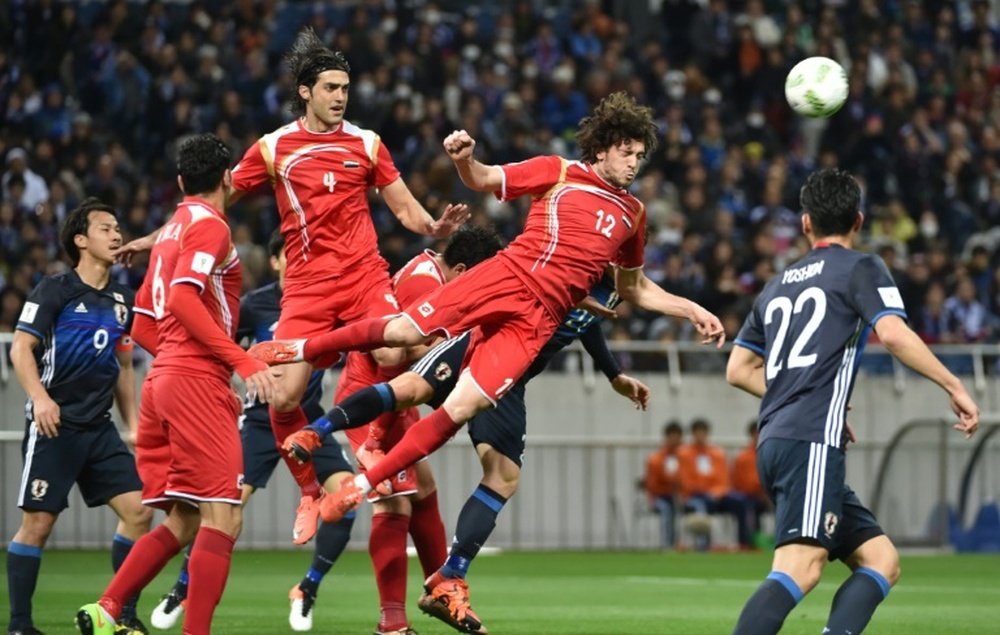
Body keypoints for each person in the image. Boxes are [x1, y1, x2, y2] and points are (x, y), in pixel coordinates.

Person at [254, 91, 725, 629]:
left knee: (456, 409)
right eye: (625, 150)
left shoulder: (632, 215)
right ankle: (301, 349)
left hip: (536, 322)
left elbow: (635, 289)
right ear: (600, 148)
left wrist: (692, 309)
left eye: (640, 154)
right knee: (406, 333)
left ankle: (359, 490)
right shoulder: (561, 172)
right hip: (506, 276)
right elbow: (482, 179)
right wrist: (461, 158)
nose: (634, 162)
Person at [115, 28, 469, 545]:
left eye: (345, 87)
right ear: (305, 91)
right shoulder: (275, 148)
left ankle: (372, 442)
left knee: (401, 352)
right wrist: (156, 237)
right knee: (284, 397)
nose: (340, 96)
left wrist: (432, 229)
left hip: (364, 277)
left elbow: (403, 206)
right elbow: (213, 200)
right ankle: (310, 490)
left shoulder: (367, 144)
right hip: (305, 287)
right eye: (330, 87)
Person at [285, 270, 650, 634]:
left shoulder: (600, 278)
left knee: (468, 481)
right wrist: (694, 312)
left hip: (505, 371)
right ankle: (391, 621)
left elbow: (590, 317)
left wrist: (614, 373)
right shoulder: (429, 276)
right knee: (397, 488)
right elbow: (389, 349)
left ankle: (447, 580)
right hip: (464, 352)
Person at [726, 168, 979, 635]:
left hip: (779, 439)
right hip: (809, 443)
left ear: (805, 224)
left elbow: (738, 370)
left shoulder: (776, 284)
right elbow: (895, 335)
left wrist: (803, 395)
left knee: (881, 560)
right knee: (801, 567)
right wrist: (953, 385)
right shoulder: (862, 266)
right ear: (858, 221)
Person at [75, 134, 277, 635]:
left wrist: (185, 366)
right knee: (224, 518)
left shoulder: (169, 234)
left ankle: (108, 608)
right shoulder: (212, 229)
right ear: (228, 179)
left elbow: (143, 324)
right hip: (191, 382)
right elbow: (185, 300)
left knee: (185, 520)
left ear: (182, 182)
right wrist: (238, 363)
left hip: (163, 383)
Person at [146, 231, 357, 633]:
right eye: (290, 255)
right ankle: (183, 587)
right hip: (259, 422)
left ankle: (307, 588)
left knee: (346, 495)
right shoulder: (255, 306)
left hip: (309, 420)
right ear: (276, 262)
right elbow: (217, 345)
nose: (299, 262)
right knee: (225, 514)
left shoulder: (327, 303)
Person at [332, 224, 503, 635]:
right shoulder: (423, 285)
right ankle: (392, 623)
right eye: (478, 280)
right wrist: (373, 437)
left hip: (395, 396)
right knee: (394, 502)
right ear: (461, 268)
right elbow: (397, 355)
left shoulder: (431, 272)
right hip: (374, 398)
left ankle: (443, 591)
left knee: (422, 492)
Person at [7, 199, 152, 635]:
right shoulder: (55, 290)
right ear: (80, 240)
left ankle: (122, 615)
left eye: (117, 228)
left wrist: (134, 423)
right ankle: (19, 625)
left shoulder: (124, 300)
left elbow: (123, 365)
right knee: (38, 524)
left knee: (140, 513)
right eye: (105, 228)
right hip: (56, 425)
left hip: (99, 429)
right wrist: (40, 399)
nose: (116, 234)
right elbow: (20, 348)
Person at [677, 418, 749, 550]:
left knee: (740, 501)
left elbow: (724, 480)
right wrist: (705, 491)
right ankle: (704, 545)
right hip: (694, 496)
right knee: (701, 504)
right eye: (697, 433)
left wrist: (716, 492)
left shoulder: (717, 454)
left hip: (717, 495)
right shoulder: (684, 454)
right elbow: (686, 481)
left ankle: (743, 543)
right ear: (693, 434)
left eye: (703, 433)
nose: (700, 436)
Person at [729, 420, 771, 550]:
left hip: (767, 495)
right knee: (745, 506)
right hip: (749, 496)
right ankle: (746, 543)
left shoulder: (769, 453)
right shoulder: (743, 457)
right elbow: (738, 482)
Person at [644, 421, 684, 550]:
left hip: (680, 496)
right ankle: (668, 544)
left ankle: (694, 545)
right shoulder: (656, 459)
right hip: (660, 497)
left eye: (677, 437)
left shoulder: (685, 457)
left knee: (695, 505)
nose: (675, 440)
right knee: (667, 508)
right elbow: (653, 484)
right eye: (672, 437)